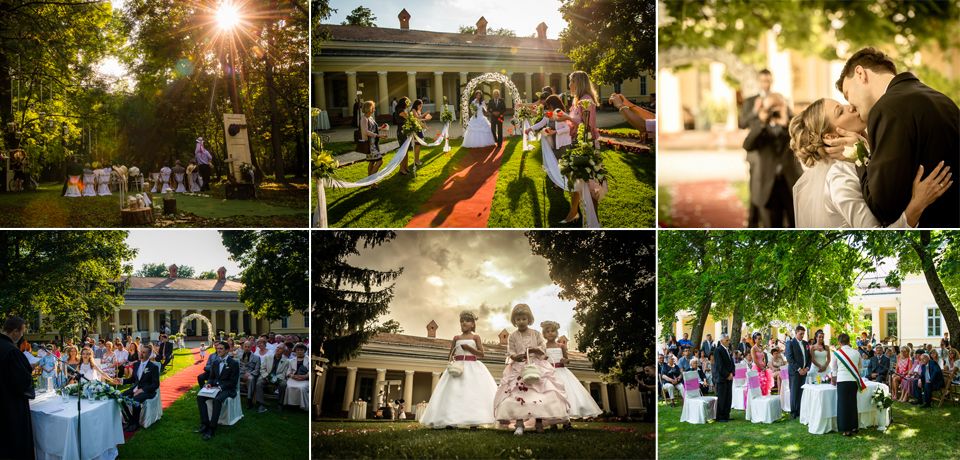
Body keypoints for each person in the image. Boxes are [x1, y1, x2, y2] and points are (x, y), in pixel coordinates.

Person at [829, 47, 959, 228]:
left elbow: (884, 208)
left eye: (848, 94)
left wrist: (861, 152)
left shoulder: (886, 109)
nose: (851, 105)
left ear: (860, 74)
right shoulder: (942, 99)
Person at [789, 98, 950, 228]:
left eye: (843, 103)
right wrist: (918, 204)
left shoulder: (864, 153)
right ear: (830, 137)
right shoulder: (839, 177)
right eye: (840, 111)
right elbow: (878, 235)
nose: (850, 106)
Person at [493, 304, 569, 436]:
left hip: (536, 365)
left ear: (529, 319)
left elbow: (543, 348)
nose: (521, 322)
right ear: (514, 321)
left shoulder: (536, 333)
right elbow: (510, 351)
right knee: (519, 394)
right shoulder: (512, 336)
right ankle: (519, 423)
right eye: (518, 319)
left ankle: (539, 422)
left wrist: (536, 350)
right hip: (519, 367)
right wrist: (515, 356)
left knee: (539, 394)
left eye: (524, 319)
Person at [419, 311, 498, 429]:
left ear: (472, 324)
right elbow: (450, 354)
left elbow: (482, 354)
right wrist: (452, 360)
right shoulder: (456, 338)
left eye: (467, 321)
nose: (463, 323)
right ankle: (451, 420)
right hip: (458, 367)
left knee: (472, 393)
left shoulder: (476, 337)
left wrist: (469, 349)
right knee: (453, 393)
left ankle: (474, 422)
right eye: (461, 321)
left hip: (472, 366)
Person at [742, 92, 801, 227]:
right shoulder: (760, 124)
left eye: (777, 106)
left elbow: (802, 141)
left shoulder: (794, 122)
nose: (774, 110)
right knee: (773, 226)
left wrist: (786, 123)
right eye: (771, 107)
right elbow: (747, 145)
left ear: (784, 105)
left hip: (791, 181)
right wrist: (762, 123)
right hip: (768, 185)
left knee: (796, 223)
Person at [555, 70, 606, 224]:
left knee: (589, 184)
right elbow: (575, 122)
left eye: (571, 81)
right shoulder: (577, 100)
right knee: (576, 180)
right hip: (577, 142)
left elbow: (588, 126)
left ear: (577, 83)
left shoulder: (586, 100)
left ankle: (594, 221)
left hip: (587, 145)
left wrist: (567, 117)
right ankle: (573, 213)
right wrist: (565, 117)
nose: (569, 84)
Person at [540, 320, 601, 428]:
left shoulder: (561, 346)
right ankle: (553, 422)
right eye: (547, 331)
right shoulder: (543, 347)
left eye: (553, 331)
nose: (550, 333)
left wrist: (565, 360)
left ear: (556, 333)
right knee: (552, 397)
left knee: (566, 396)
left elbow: (567, 360)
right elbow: (541, 361)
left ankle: (566, 421)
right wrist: (544, 359)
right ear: (544, 334)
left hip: (561, 372)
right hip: (549, 373)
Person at [1, 317, 35, 459]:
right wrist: (29, 370)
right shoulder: (12, 351)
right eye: (22, 332)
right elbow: (22, 382)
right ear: (15, 332)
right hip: (11, 406)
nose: (22, 336)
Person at [196, 341, 239, 440]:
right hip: (215, 388)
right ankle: (204, 423)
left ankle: (212, 428)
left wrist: (220, 386)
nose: (218, 350)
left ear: (227, 350)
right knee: (200, 397)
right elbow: (211, 377)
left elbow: (233, 382)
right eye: (217, 348)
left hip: (228, 389)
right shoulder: (215, 362)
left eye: (221, 349)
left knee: (217, 400)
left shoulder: (234, 363)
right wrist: (209, 384)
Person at [120, 344, 160, 432]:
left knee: (135, 400)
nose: (141, 354)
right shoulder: (137, 364)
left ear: (149, 355)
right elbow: (133, 379)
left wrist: (142, 390)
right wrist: (121, 381)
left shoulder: (153, 367)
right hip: (135, 388)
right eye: (141, 352)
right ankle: (130, 420)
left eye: (144, 352)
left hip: (147, 391)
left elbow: (155, 384)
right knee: (120, 397)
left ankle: (136, 424)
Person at [833, 333, 863, 436]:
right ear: (849, 341)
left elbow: (834, 370)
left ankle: (846, 429)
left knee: (843, 405)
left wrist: (833, 380)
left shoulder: (837, 353)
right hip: (853, 380)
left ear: (839, 342)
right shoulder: (856, 352)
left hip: (842, 381)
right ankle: (854, 426)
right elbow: (860, 367)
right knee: (852, 403)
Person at [254, 344, 290, 413]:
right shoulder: (267, 357)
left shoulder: (286, 361)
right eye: (277, 347)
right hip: (266, 376)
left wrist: (274, 378)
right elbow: (262, 368)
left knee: (283, 384)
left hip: (278, 378)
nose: (278, 349)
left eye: (280, 348)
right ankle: (261, 404)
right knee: (259, 383)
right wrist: (267, 376)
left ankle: (280, 403)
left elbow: (284, 373)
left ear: (283, 351)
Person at [359, 101, 388, 183]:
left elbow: (372, 129)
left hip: (374, 143)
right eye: (373, 107)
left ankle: (370, 181)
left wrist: (380, 128)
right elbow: (365, 132)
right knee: (380, 161)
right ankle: (371, 181)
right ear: (369, 108)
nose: (374, 109)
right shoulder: (363, 119)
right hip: (369, 144)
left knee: (372, 162)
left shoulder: (370, 118)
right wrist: (378, 135)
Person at [786, 325, 809, 419]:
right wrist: (799, 369)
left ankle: (800, 410)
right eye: (801, 334)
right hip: (795, 371)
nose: (802, 335)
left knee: (801, 391)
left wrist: (807, 368)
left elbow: (809, 357)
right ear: (796, 333)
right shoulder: (790, 343)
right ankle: (793, 412)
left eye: (803, 334)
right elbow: (789, 358)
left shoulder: (806, 343)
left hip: (804, 371)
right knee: (794, 391)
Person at [712, 333, 735, 422]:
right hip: (722, 378)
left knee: (728, 397)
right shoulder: (718, 350)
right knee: (722, 397)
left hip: (729, 377)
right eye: (727, 340)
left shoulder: (728, 350)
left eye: (728, 340)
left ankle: (726, 414)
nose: (728, 342)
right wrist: (727, 375)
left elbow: (732, 363)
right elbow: (719, 365)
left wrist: (732, 373)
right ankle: (720, 416)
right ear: (721, 341)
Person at [409, 99, 433, 167]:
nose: (421, 107)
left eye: (421, 105)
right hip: (416, 130)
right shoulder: (413, 110)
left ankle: (417, 160)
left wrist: (426, 124)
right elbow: (417, 117)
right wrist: (425, 113)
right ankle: (416, 161)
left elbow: (419, 120)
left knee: (418, 146)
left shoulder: (418, 110)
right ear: (417, 105)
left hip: (419, 129)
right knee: (417, 145)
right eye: (420, 105)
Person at [239, 340, 262, 409]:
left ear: (251, 347)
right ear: (243, 347)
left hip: (250, 374)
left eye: (248, 347)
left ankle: (249, 399)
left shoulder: (256, 357)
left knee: (251, 379)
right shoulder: (239, 355)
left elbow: (257, 370)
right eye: (245, 346)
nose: (247, 348)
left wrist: (249, 373)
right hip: (240, 373)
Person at [393, 97, 412, 175]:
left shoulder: (403, 110)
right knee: (403, 151)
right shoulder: (400, 110)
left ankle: (406, 167)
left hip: (405, 131)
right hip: (401, 132)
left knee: (406, 150)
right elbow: (408, 117)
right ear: (404, 103)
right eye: (407, 103)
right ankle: (401, 169)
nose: (408, 104)